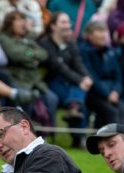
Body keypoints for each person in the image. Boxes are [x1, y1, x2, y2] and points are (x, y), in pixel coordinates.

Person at [39, 12, 93, 148]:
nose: (67, 25)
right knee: (78, 92)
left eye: (68, 22)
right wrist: (80, 80)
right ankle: (73, 110)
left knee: (80, 91)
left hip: (68, 83)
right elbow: (59, 67)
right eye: (63, 22)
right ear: (53, 26)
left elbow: (78, 63)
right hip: (50, 82)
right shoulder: (45, 43)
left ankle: (78, 136)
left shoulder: (71, 43)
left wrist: (87, 77)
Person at [80, 20, 124, 129]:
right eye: (99, 31)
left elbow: (118, 75)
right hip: (94, 94)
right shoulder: (84, 52)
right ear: (89, 34)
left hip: (112, 92)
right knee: (111, 112)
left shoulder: (110, 52)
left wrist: (116, 91)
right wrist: (107, 94)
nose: (103, 34)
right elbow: (91, 76)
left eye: (104, 31)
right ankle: (113, 142)